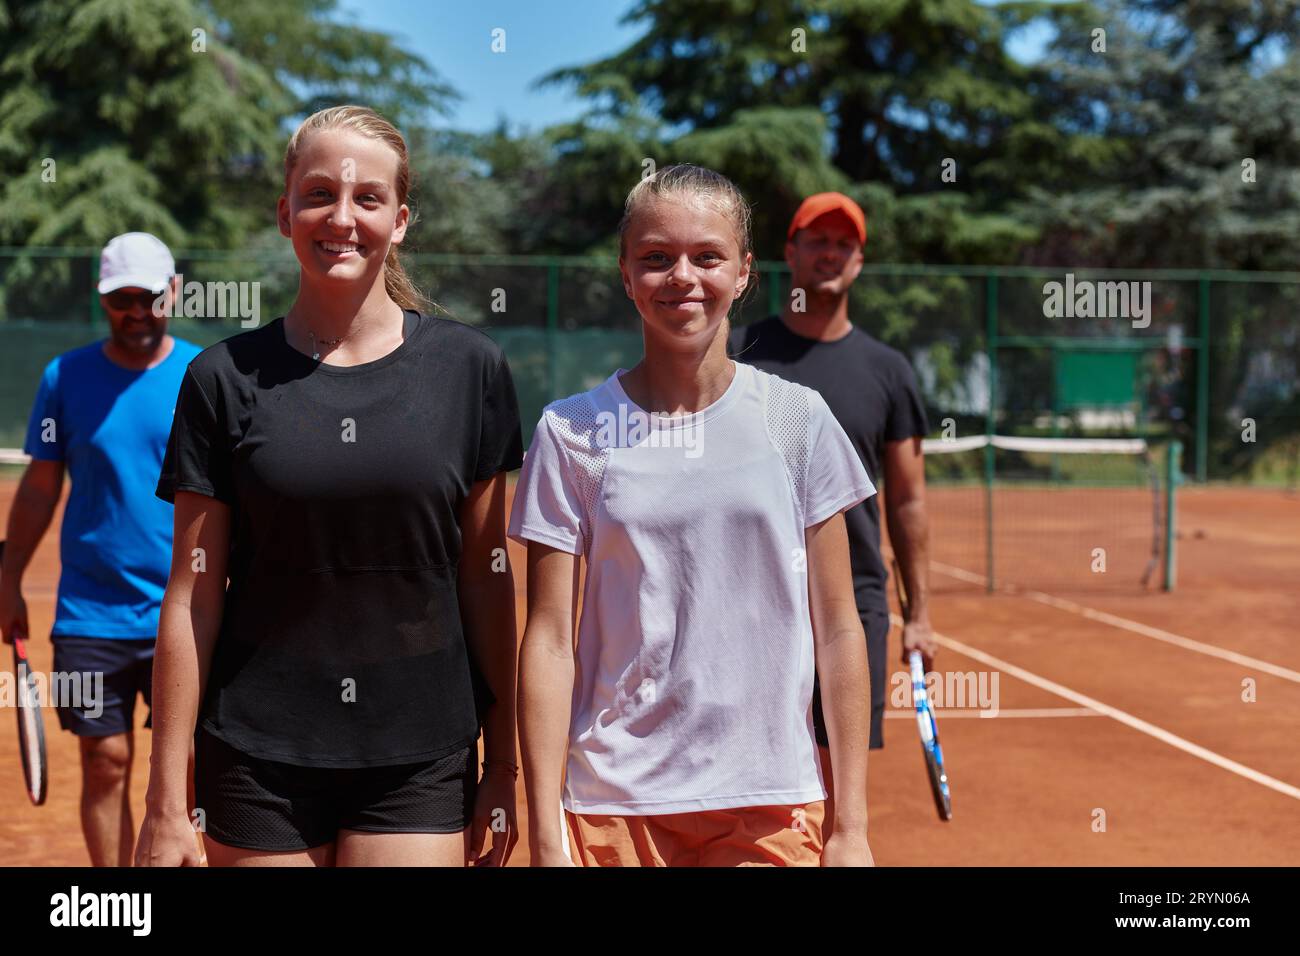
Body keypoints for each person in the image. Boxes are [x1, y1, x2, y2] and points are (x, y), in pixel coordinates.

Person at [133, 105, 523, 867]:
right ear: (285, 213)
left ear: (401, 219)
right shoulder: (220, 379)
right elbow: (193, 593)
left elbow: (489, 578)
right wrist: (164, 803)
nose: (341, 218)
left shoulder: (469, 370)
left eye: (367, 199)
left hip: (420, 751)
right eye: (318, 195)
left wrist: (504, 765)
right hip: (254, 755)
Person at [512, 164, 875, 867]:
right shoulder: (571, 433)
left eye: (707, 256)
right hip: (611, 807)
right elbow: (550, 641)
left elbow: (838, 627)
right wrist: (547, 831)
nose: (682, 276)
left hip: (768, 803)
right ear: (625, 275)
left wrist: (850, 827)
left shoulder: (798, 422)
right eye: (656, 258)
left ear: (743, 272)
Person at [728, 192, 937, 834]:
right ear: (788, 255)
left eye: (842, 243)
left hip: (852, 606)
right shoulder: (737, 348)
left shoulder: (888, 370)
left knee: (830, 787)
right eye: (815, 240)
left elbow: (907, 499)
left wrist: (920, 614)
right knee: (745, 787)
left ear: (859, 261)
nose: (829, 253)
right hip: (749, 600)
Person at [0, 232, 202, 866]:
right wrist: (8, 577)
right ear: (103, 300)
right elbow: (39, 487)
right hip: (89, 614)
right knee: (105, 760)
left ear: (173, 291)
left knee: (190, 771)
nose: (137, 311)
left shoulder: (205, 376)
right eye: (122, 299)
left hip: (188, 613)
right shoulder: (65, 377)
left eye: (149, 296)